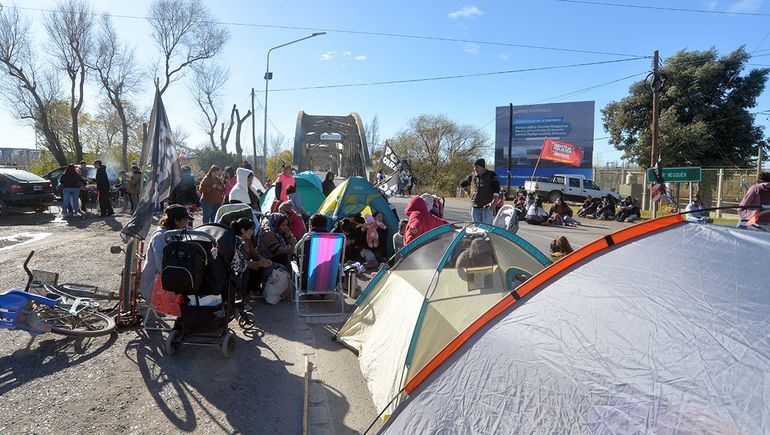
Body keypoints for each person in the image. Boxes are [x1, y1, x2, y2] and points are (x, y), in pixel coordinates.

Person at [138, 204, 192, 300]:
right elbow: (162, 266)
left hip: (171, 277)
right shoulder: (160, 237)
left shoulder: (180, 232)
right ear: (176, 221)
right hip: (154, 284)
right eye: (186, 220)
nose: (188, 223)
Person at [230, 217, 273, 297]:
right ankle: (241, 295)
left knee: (261, 268)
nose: (252, 232)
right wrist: (258, 264)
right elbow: (239, 262)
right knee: (246, 271)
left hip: (248, 266)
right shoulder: (235, 242)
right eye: (251, 230)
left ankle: (252, 290)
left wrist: (263, 260)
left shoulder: (248, 240)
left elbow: (254, 254)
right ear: (243, 231)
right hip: (238, 269)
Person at [459, 158, 501, 225]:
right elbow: (462, 184)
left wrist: (495, 201)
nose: (475, 169)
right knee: (476, 229)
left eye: (476, 167)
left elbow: (496, 188)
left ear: (482, 167)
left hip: (487, 208)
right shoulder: (473, 176)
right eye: (474, 167)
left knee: (486, 228)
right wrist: (467, 192)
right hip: (475, 207)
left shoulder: (491, 175)